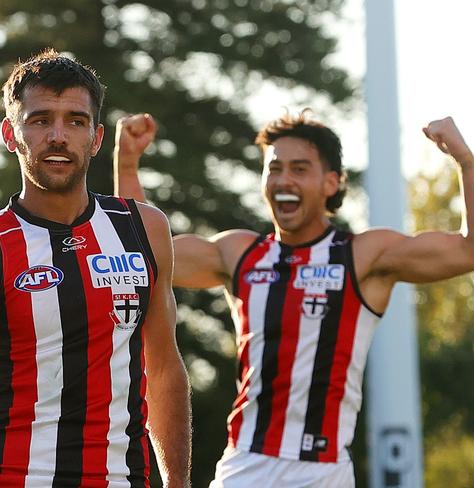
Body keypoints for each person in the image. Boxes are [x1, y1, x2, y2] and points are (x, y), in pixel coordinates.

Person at [114, 111, 474, 487]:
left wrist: (465, 161)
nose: (284, 180)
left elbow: (469, 250)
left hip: (323, 472)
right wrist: (127, 161)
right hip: (244, 468)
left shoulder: (363, 256)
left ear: (332, 183)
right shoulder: (239, 253)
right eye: (275, 168)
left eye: (300, 169)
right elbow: (142, 257)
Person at [0, 49, 191, 488]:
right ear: (11, 134)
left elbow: (163, 367)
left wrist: (177, 484)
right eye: (40, 120)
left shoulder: (145, 227)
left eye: (75, 122)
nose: (58, 136)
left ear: (96, 138)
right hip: (11, 478)